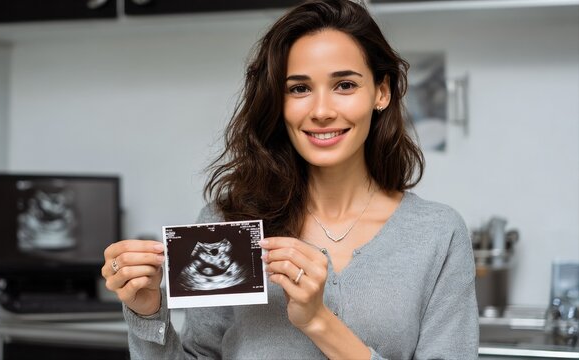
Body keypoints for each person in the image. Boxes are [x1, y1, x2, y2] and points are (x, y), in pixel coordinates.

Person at [102, 0, 479, 358]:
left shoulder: (437, 234)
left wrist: (318, 321)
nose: (321, 111)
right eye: (299, 88)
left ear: (381, 92)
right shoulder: (228, 221)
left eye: (344, 85)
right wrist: (147, 312)